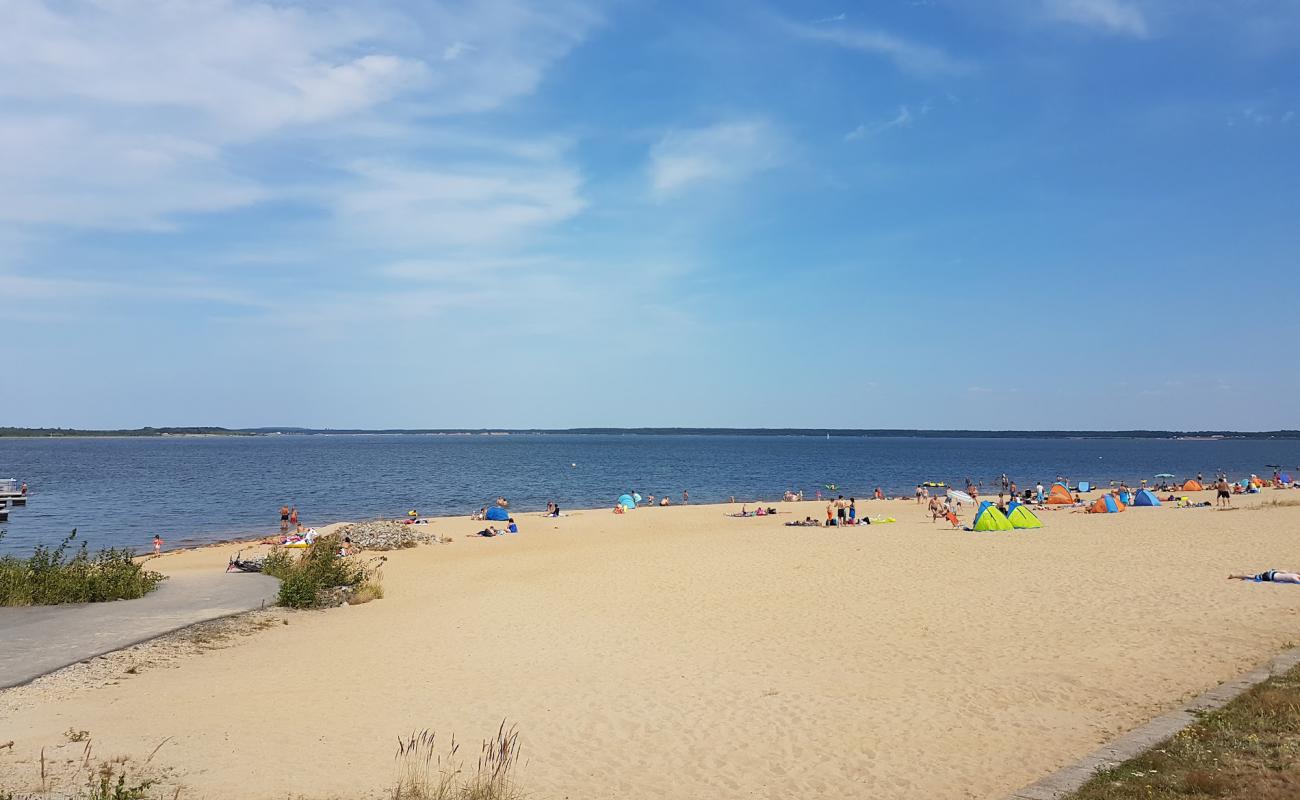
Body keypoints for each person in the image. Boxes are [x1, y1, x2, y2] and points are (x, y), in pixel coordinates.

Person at [1229, 570, 1300, 584]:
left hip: (1273, 572)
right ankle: (1234, 576)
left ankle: (1245, 578)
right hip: (1269, 577)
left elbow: (1285, 572)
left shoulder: (1296, 575)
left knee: (1254, 577)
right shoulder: (1295, 578)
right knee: (1252, 577)